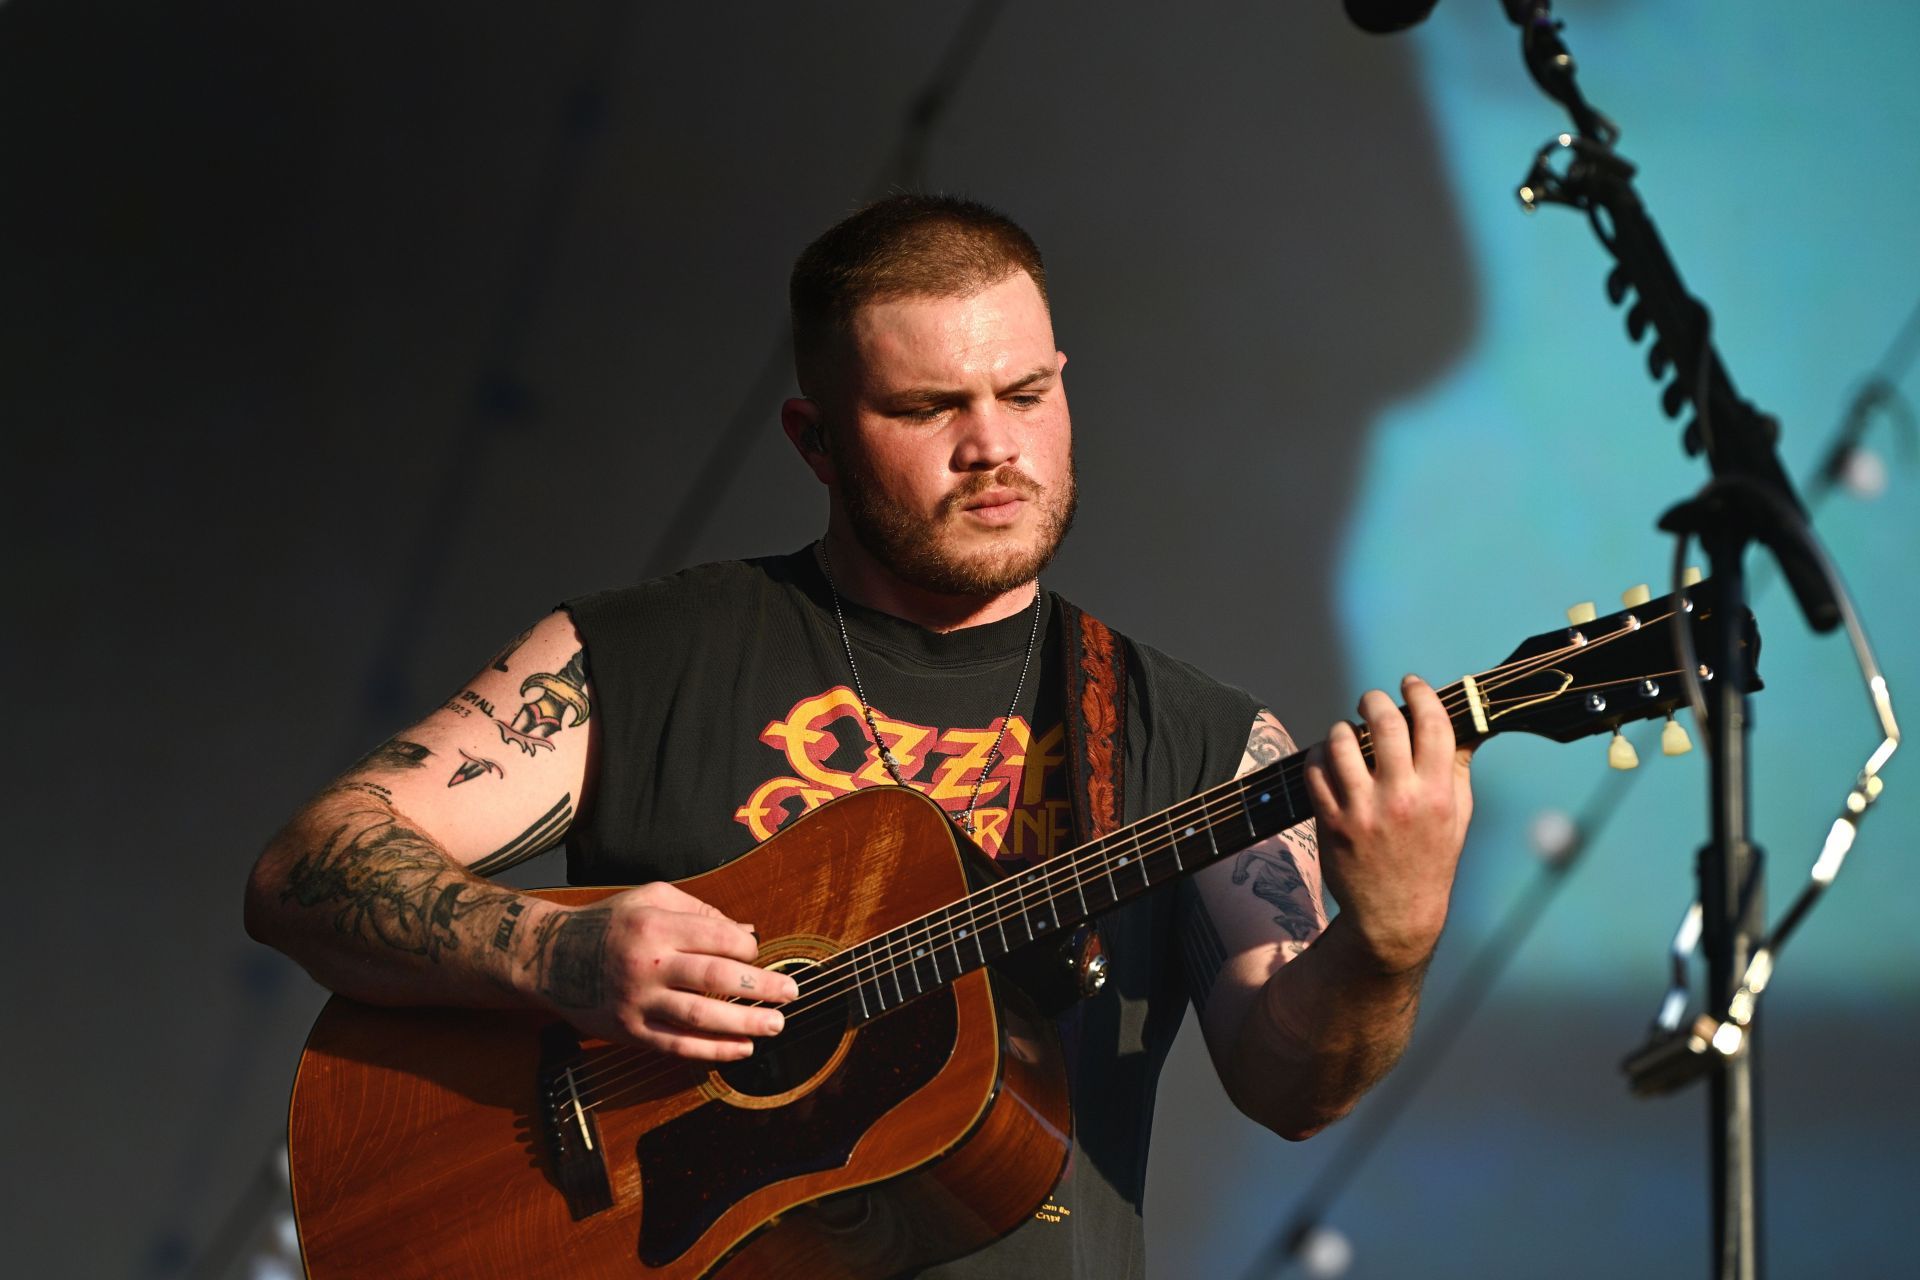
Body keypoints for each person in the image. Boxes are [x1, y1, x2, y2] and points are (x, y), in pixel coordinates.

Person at [244, 194, 1474, 1278]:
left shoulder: (1198, 738)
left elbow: (1293, 1085)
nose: (993, 444)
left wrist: (1392, 937)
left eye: (1027, 393)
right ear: (814, 440)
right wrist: (556, 958)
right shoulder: (642, 656)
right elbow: (308, 863)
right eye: (928, 406)